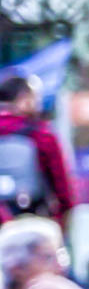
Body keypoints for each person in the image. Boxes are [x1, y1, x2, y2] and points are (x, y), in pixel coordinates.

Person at [0, 75, 75, 225]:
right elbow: (61, 185)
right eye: (36, 98)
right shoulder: (41, 134)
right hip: (33, 217)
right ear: (24, 99)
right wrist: (63, 216)